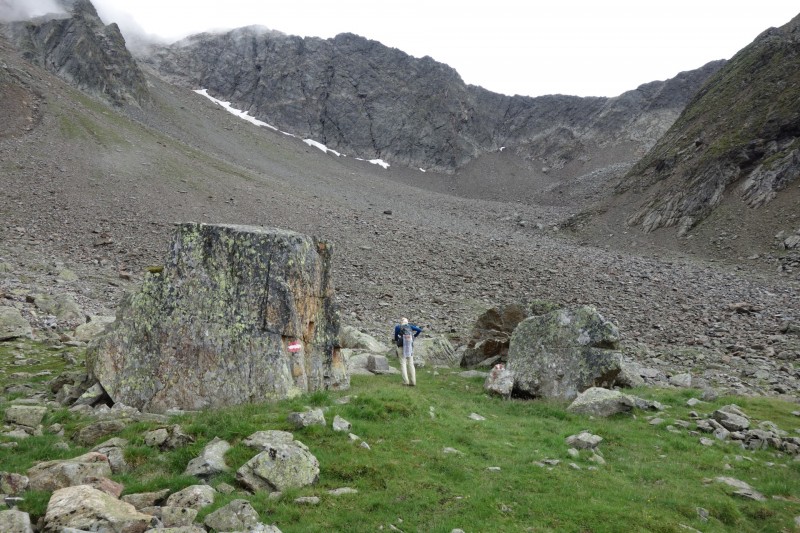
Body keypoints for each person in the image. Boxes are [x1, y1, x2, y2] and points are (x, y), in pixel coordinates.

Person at [393, 317, 422, 386]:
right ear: (407, 322)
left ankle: (405, 382)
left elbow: (395, 338)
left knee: (403, 364)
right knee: (411, 364)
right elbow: (419, 330)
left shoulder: (398, 327)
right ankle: (413, 382)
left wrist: (398, 340)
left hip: (401, 347)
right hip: (409, 347)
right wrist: (414, 336)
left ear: (401, 322)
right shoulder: (410, 326)